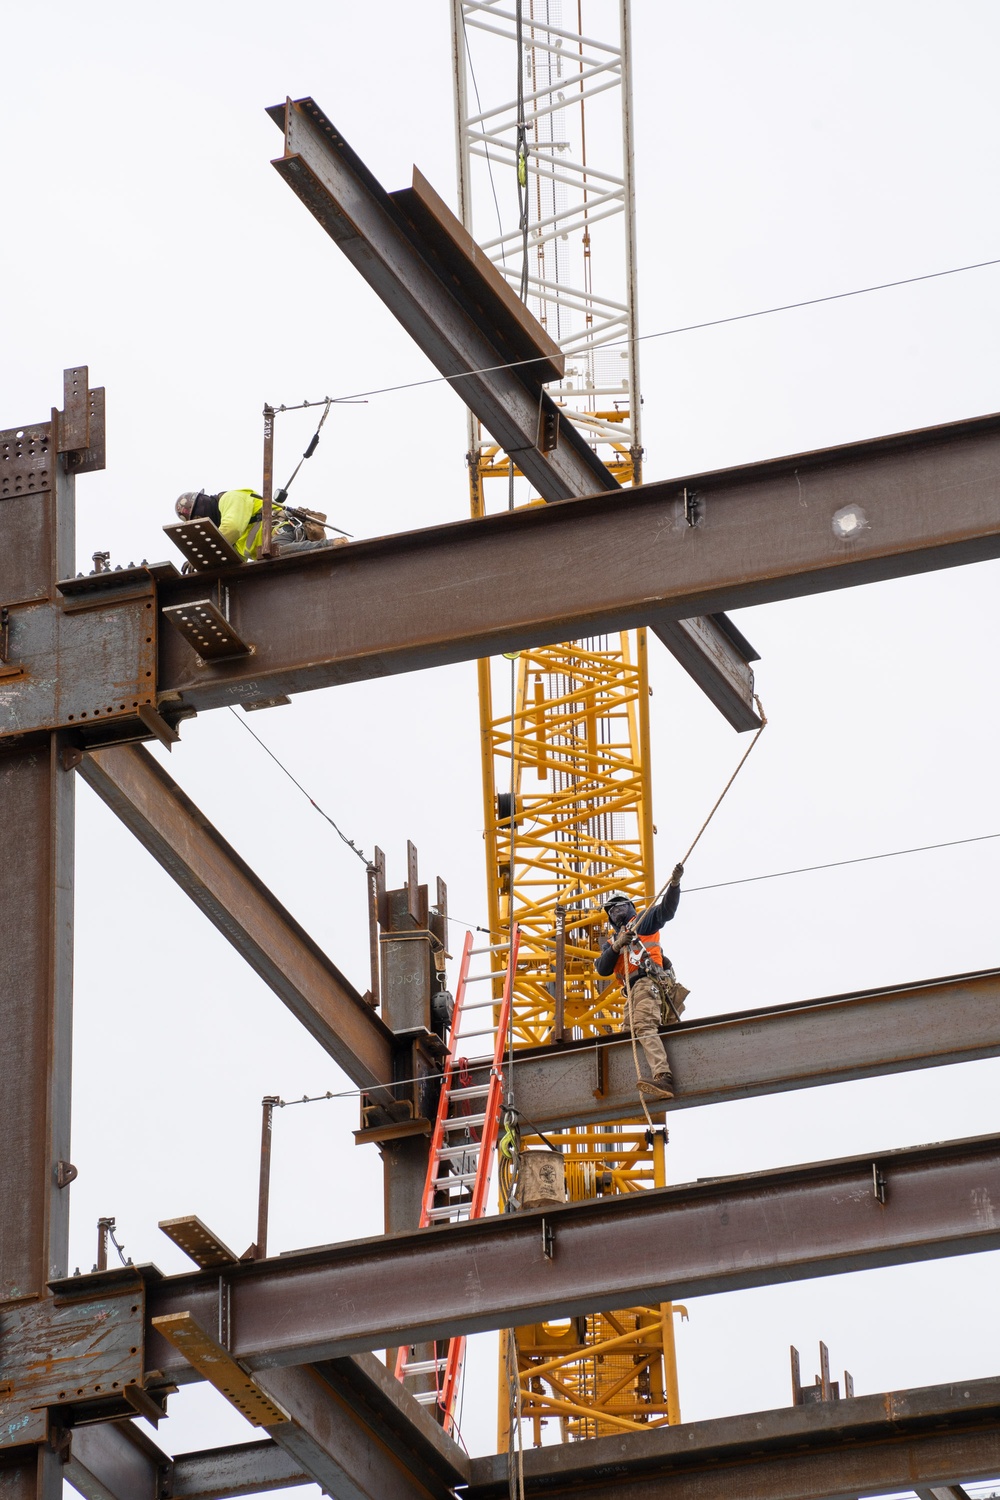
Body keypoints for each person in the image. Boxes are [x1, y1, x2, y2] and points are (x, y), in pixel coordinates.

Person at [594, 866, 687, 1100]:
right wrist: (616, 945)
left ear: (630, 907)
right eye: (612, 909)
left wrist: (674, 886)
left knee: (644, 1026)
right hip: (633, 990)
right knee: (628, 1035)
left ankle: (663, 1077)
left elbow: (666, 911)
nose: (616, 911)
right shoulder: (611, 943)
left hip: (648, 982)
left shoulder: (642, 922)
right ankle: (634, 1082)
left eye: (619, 906)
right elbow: (602, 968)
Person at [174, 489, 305, 559]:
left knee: (281, 556)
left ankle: (323, 545)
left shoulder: (229, 498)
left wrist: (204, 553)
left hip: (283, 531)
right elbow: (238, 559)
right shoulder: (227, 538)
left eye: (198, 516)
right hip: (267, 552)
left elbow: (232, 528)